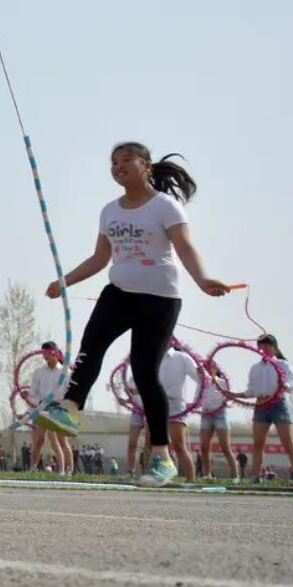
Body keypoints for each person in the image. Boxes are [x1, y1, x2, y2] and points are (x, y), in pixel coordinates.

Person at [37, 143, 230, 487]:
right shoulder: (110, 211)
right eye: (113, 162)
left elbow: (185, 247)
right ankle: (70, 408)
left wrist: (203, 280)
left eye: (127, 160)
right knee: (91, 343)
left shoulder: (165, 206)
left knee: (144, 371)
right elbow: (99, 259)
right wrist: (64, 281)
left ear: (147, 166)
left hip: (159, 297)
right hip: (119, 291)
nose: (118, 166)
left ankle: (161, 457)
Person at [247, 334, 292, 483]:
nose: (264, 349)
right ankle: (255, 476)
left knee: (287, 442)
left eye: (267, 345)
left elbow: (291, 384)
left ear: (274, 348)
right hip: (261, 406)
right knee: (258, 443)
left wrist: (284, 385)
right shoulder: (255, 368)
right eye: (261, 346)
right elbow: (251, 391)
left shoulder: (283, 364)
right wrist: (234, 394)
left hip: (278, 404)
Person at [158, 343, 200, 480]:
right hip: (156, 403)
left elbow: (201, 378)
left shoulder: (182, 358)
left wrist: (195, 400)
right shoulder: (153, 356)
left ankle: (191, 479)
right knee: (151, 443)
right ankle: (155, 478)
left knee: (179, 445)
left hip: (176, 405)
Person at [28, 342, 71, 475]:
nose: (45, 356)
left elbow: (69, 392)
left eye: (48, 352)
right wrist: (29, 398)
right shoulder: (38, 372)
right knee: (39, 440)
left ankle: (68, 470)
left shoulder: (65, 372)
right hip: (42, 407)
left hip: (59, 406)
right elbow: (33, 392)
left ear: (55, 353)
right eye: (43, 353)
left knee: (62, 440)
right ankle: (33, 468)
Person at [197, 360, 236, 480]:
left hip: (220, 414)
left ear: (216, 368)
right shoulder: (202, 383)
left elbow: (230, 398)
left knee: (225, 447)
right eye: (205, 367)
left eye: (210, 367)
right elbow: (197, 398)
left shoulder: (223, 382)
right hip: (206, 414)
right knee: (204, 447)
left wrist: (224, 403)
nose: (207, 370)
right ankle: (207, 474)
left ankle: (235, 475)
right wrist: (191, 407)